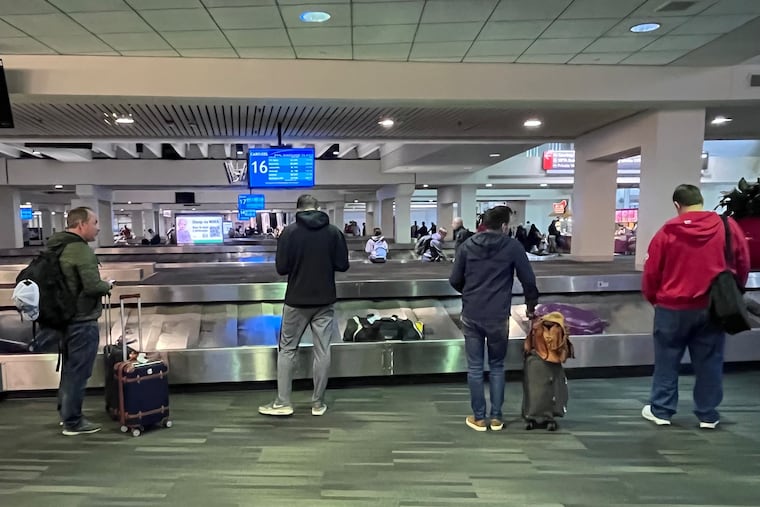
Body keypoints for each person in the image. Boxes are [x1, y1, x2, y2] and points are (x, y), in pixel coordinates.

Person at [641, 184, 749, 429]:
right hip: (712, 306)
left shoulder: (666, 232)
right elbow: (742, 263)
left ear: (677, 205)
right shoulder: (727, 227)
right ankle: (707, 414)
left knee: (667, 359)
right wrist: (732, 293)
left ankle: (662, 410)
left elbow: (651, 273)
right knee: (710, 360)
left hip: (672, 307)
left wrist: (654, 299)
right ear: (701, 201)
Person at [449, 206, 539, 432]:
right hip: (499, 315)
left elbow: (454, 279)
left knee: (475, 368)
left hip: (472, 313)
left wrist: (469, 293)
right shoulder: (512, 246)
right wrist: (530, 306)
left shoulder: (467, 245)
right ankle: (497, 417)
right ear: (504, 225)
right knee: (498, 365)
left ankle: (479, 418)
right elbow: (528, 279)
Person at [259, 194, 349, 417]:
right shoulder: (334, 232)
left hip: (296, 300)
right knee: (322, 351)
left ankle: (283, 402)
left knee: (287, 350)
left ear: (298, 210)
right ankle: (318, 404)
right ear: (317, 208)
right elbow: (343, 265)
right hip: (325, 300)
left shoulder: (289, 232)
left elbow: (281, 268)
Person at [50, 207, 114, 435]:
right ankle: (73, 422)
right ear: (81, 225)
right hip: (81, 319)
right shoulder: (80, 250)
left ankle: (65, 413)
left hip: (63, 317)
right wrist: (107, 284)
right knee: (79, 371)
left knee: (69, 369)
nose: (98, 227)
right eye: (95, 222)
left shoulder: (55, 246)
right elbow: (92, 286)